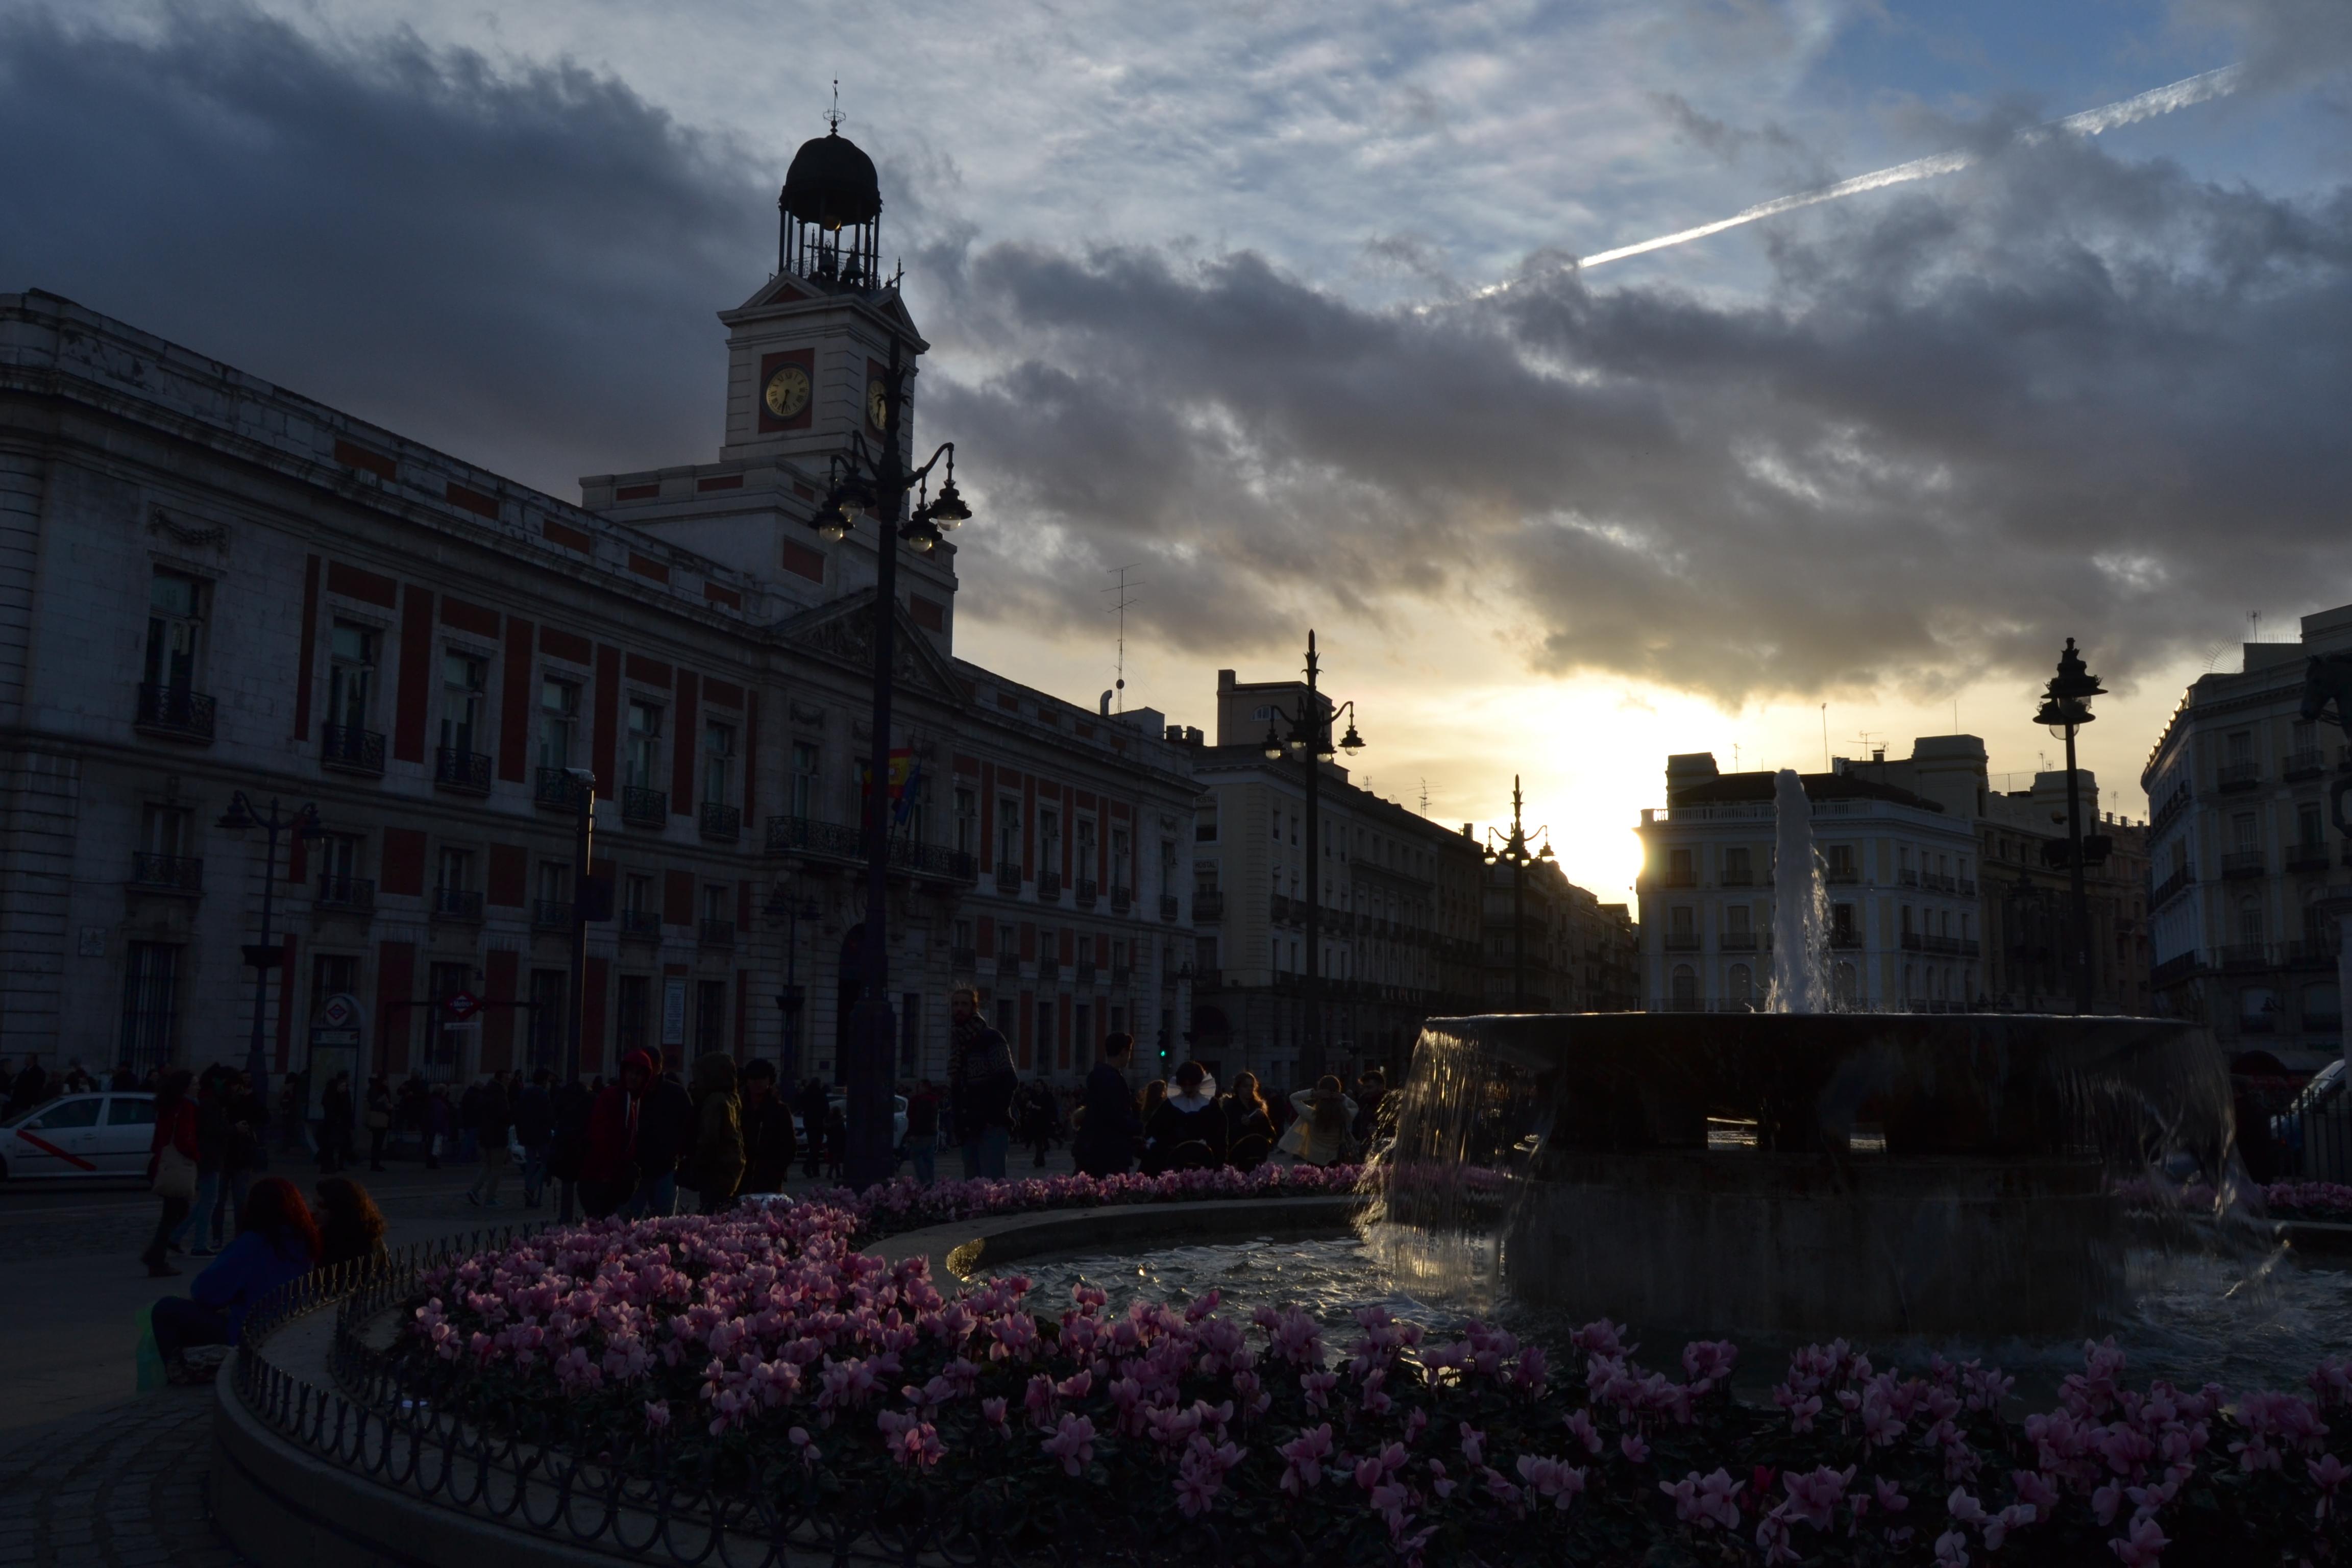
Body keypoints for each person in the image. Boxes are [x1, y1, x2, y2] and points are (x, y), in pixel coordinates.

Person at [150, 1175, 320, 1385]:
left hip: (253, 1333)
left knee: (166, 1309)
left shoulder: (254, 1244)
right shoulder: (304, 1241)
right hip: (290, 1329)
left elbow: (205, 1293)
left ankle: (181, 1371)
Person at [947, 988, 1016, 1180]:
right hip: (968, 1130)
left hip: (990, 1129)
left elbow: (1009, 1080)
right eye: (955, 1004)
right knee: (973, 1191)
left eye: (964, 1004)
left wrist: (992, 1117)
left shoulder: (991, 1038)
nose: (959, 1009)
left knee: (991, 1189)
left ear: (974, 1008)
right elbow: (957, 1089)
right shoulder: (958, 1045)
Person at [580, 1050, 655, 1218]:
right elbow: (600, 1135)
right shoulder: (613, 1096)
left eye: (638, 1074)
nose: (633, 1077)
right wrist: (606, 1172)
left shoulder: (634, 1101)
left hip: (615, 1176)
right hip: (601, 1176)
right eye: (630, 1072)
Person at [140, 1069, 200, 1277]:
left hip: (164, 1161)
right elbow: (185, 1137)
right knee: (176, 1212)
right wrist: (195, 1155)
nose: (197, 1086)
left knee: (175, 1210)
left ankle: (155, 1254)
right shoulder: (186, 1107)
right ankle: (157, 1258)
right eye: (194, 1082)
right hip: (177, 1163)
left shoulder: (167, 1104)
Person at [175, 1068, 229, 1256]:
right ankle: (198, 1243)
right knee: (208, 1201)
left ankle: (176, 1236)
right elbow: (212, 1132)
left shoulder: (201, 1103)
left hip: (205, 1157)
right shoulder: (206, 1104)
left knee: (205, 1201)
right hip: (208, 1157)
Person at [631, 1060, 694, 1218]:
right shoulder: (632, 1092)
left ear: (660, 1067)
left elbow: (690, 1124)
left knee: (664, 1223)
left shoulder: (676, 1093)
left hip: (665, 1167)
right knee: (628, 1222)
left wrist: (679, 1152)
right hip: (635, 1168)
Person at [685, 1054, 745, 1215]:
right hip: (730, 1170)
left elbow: (709, 1139)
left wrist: (697, 1165)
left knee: (711, 1214)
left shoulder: (715, 1101)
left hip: (716, 1171)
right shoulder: (732, 1098)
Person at [1072, 1034, 1140, 1178]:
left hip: (1092, 1147)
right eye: (1129, 1052)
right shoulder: (1113, 1080)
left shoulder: (1098, 1075)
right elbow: (1116, 1115)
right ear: (1123, 1052)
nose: (1129, 1057)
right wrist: (1138, 1127)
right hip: (1111, 1150)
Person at [1142, 1062, 1226, 1173]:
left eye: (1191, 1085)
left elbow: (1220, 1137)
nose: (1187, 1089)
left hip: (1204, 1166)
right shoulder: (1171, 1104)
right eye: (1184, 1086)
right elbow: (1153, 1131)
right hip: (1173, 1165)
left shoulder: (1211, 1105)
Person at [739, 1060, 797, 1193]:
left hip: (769, 1180)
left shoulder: (779, 1110)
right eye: (753, 1078)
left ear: (769, 1081)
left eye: (762, 1078)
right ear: (747, 1081)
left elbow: (790, 1146)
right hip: (740, 1178)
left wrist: (776, 1170)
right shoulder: (739, 1109)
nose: (757, 1083)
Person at [313, 1175, 387, 1273]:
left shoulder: (336, 1240)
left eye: (321, 1206)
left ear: (339, 1207)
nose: (315, 1211)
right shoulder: (368, 1233)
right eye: (315, 1204)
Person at [1284, 1075, 1359, 1167]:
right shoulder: (1345, 1116)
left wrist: (1313, 1094)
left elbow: (1293, 1098)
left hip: (1314, 1158)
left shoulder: (1311, 1115)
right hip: (1336, 1158)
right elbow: (1355, 1107)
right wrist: (1343, 1097)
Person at [549, 1074, 594, 1221]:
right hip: (582, 1152)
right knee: (585, 1189)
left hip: (565, 1152)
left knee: (568, 1184)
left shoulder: (562, 1106)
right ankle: (590, 1218)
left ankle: (565, 1217)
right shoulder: (588, 1104)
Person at [466, 1069, 511, 1207]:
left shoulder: (485, 1093)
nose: (509, 1081)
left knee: (487, 1165)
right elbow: (504, 1116)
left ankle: (475, 1190)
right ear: (501, 1080)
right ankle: (490, 1197)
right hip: (497, 1134)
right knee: (497, 1167)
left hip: (485, 1133)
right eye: (507, 1078)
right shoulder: (500, 1095)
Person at [513, 1068, 554, 1208]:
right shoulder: (543, 1094)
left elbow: (518, 1114)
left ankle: (529, 1195)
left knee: (530, 1164)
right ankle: (531, 1189)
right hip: (541, 1134)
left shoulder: (524, 1092)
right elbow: (548, 1116)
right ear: (544, 1081)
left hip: (526, 1133)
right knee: (546, 1163)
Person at [1222, 1070, 1275, 1171]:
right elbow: (1225, 1133)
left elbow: (1271, 1134)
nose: (1249, 1089)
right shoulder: (1230, 1106)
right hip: (1238, 1158)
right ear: (1238, 1088)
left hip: (1256, 1156)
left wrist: (1263, 1118)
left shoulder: (1258, 1106)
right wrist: (1241, 1124)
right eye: (1245, 1086)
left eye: (1252, 1086)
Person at [1015, 1077, 1061, 1169]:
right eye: (1036, 1086)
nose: (1037, 1088)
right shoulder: (1033, 1094)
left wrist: (1054, 1120)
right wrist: (1029, 1105)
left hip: (1045, 1122)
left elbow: (1050, 1109)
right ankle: (1040, 1161)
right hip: (1035, 1122)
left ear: (1042, 1086)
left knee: (1041, 1142)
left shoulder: (1048, 1095)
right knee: (1038, 1143)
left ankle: (1039, 1160)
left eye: (1039, 1086)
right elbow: (1028, 1103)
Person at [900, 1080, 940, 1183]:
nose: (918, 1089)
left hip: (922, 1133)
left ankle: (925, 1181)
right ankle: (930, 1181)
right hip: (931, 1132)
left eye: (920, 1086)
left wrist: (913, 1133)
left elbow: (917, 1118)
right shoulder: (933, 1100)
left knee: (915, 1154)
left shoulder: (920, 1100)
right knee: (928, 1158)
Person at [318, 1071, 355, 1174]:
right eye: (343, 1086)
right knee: (330, 1145)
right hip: (333, 1124)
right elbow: (332, 1108)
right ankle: (328, 1166)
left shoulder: (341, 1094)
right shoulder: (333, 1094)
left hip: (337, 1123)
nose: (345, 1088)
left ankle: (332, 1165)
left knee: (334, 1145)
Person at [794, 1078, 830, 1178]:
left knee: (813, 1146)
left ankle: (815, 1170)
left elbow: (800, 1106)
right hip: (818, 1122)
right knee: (816, 1147)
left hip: (809, 1122)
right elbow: (826, 1109)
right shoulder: (820, 1094)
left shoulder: (806, 1094)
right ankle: (809, 1167)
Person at [363, 1075, 394, 1170]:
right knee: (378, 1142)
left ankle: (375, 1163)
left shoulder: (373, 1090)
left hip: (378, 1118)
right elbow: (376, 1104)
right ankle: (375, 1164)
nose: (387, 1083)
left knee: (377, 1142)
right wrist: (387, 1105)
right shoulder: (380, 1091)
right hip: (380, 1118)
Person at [423, 1083, 453, 1168]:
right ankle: (432, 1163)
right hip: (436, 1127)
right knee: (435, 1145)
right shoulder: (438, 1102)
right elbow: (439, 1116)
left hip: (433, 1126)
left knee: (433, 1145)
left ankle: (432, 1162)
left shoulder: (433, 1100)